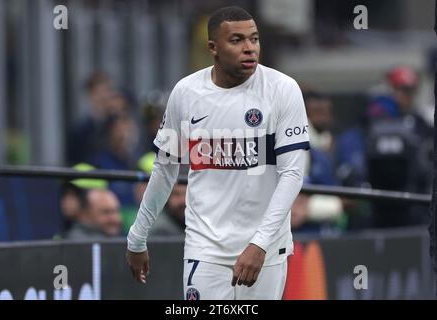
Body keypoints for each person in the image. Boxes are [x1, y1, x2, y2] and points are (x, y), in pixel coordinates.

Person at [126, 6, 309, 300]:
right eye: (236, 40)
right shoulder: (186, 93)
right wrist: (137, 237)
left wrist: (259, 244)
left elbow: (292, 173)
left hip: (266, 249)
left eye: (254, 39)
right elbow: (165, 168)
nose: (249, 48)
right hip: (205, 246)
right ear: (213, 47)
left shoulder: (282, 90)